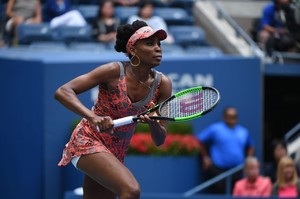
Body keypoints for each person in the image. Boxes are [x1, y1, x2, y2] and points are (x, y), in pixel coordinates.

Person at [55, 20, 172, 199]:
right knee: (131, 190)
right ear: (133, 49)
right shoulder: (113, 71)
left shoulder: (163, 84)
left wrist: (153, 123)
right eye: (150, 43)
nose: (158, 48)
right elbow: (63, 91)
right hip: (88, 140)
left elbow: (159, 140)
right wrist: (93, 117)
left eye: (159, 44)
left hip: (115, 153)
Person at [196, 106, 255, 194]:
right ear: (224, 117)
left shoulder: (243, 131)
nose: (232, 118)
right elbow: (199, 141)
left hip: (238, 171)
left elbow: (251, 146)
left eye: (234, 116)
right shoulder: (215, 129)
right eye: (230, 116)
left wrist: (248, 160)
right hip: (219, 171)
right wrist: (205, 157)